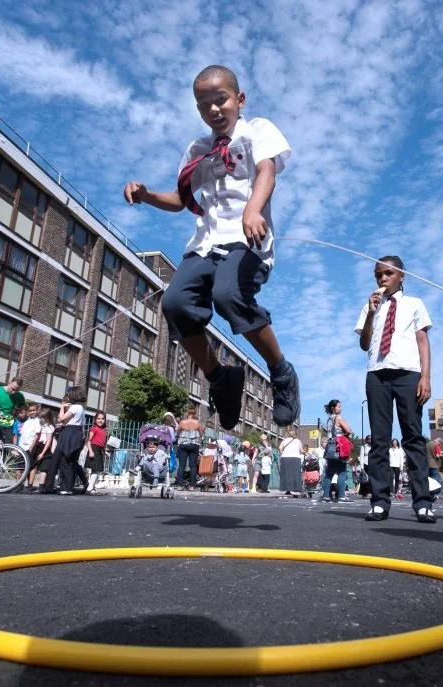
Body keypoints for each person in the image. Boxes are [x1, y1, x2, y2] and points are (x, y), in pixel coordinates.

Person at [123, 64, 299, 431]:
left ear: (239, 99)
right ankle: (220, 378)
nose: (214, 110)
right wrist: (147, 195)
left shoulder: (257, 131)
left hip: (246, 239)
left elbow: (266, 171)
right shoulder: (198, 149)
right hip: (204, 243)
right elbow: (181, 198)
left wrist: (253, 208)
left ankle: (281, 373)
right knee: (174, 304)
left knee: (228, 295)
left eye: (221, 101)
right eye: (205, 105)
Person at [357, 255, 435, 523]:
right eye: (378, 274)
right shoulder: (371, 306)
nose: (382, 279)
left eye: (388, 274)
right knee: (379, 439)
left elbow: (422, 341)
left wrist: (425, 376)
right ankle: (379, 501)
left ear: (402, 275)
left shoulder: (415, 304)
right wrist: (370, 312)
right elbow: (365, 343)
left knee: (413, 436)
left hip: (408, 373)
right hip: (377, 373)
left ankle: (423, 502)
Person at [43, 387, 87, 495]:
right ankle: (53, 486)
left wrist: (62, 407)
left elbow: (61, 418)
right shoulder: (78, 408)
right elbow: (61, 419)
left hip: (70, 433)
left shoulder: (76, 407)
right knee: (60, 460)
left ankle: (66, 487)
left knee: (67, 461)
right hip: (68, 432)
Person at [317, 400, 354, 503]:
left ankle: (326, 496)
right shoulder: (338, 418)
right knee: (342, 471)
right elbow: (349, 430)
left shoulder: (329, 419)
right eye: (339, 406)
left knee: (329, 473)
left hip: (330, 446)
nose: (341, 408)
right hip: (339, 447)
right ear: (333, 408)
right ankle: (341, 496)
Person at [28, 408, 56, 492]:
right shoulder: (42, 426)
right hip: (39, 446)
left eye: (43, 417)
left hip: (46, 449)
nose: (41, 419)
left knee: (44, 469)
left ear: (47, 417)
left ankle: (41, 487)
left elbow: (48, 441)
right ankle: (41, 487)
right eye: (40, 417)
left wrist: (43, 453)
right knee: (40, 468)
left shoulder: (49, 427)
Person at [174, 408, 203, 490]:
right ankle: (192, 486)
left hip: (183, 444)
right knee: (193, 466)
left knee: (182, 465)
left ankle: (179, 485)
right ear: (194, 414)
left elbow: (178, 432)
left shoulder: (182, 422)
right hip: (194, 445)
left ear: (187, 413)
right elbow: (201, 434)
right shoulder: (197, 423)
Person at [0, 378, 25, 443]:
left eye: (17, 390)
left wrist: (15, 414)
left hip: (7, 422)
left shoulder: (19, 396)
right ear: (9, 383)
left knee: (5, 447)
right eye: (13, 389)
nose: (14, 392)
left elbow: (22, 406)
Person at [83, 411, 107, 495]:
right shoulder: (93, 428)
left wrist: (105, 452)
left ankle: (92, 488)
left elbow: (102, 444)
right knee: (95, 470)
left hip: (99, 450)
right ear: (95, 420)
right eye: (98, 418)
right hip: (94, 449)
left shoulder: (103, 431)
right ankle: (90, 489)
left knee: (96, 470)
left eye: (102, 419)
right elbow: (88, 441)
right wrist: (90, 451)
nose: (100, 420)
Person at [278, 427, 303, 496]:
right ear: (295, 434)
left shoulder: (284, 440)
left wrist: (282, 453)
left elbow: (280, 448)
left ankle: (287, 489)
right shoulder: (298, 441)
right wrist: (304, 452)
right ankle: (296, 488)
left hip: (285, 458)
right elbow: (301, 450)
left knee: (286, 474)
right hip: (295, 458)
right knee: (295, 474)